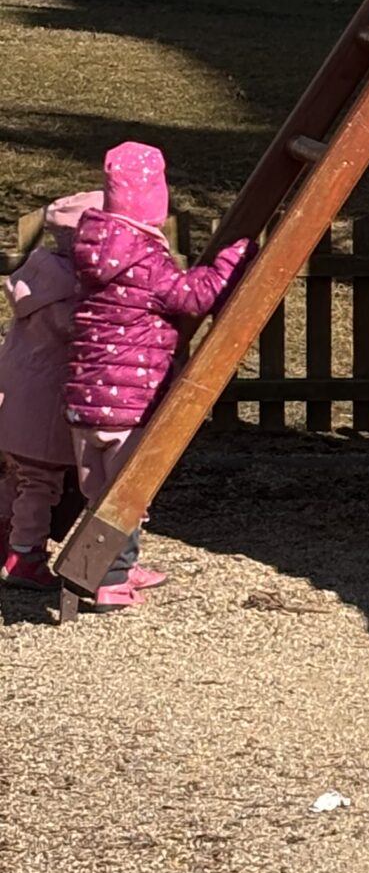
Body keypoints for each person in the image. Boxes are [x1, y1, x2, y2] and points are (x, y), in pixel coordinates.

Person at [64, 143, 252, 609]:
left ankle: (118, 566)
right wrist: (230, 262)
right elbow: (192, 295)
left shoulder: (97, 250)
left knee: (102, 494)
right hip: (128, 402)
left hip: (86, 403)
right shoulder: (144, 258)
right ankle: (108, 582)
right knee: (127, 495)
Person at [0, 191, 100, 591]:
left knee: (17, 477)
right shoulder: (68, 291)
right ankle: (25, 555)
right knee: (40, 484)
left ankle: (7, 540)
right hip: (44, 406)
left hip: (14, 399)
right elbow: (83, 332)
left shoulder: (37, 277)